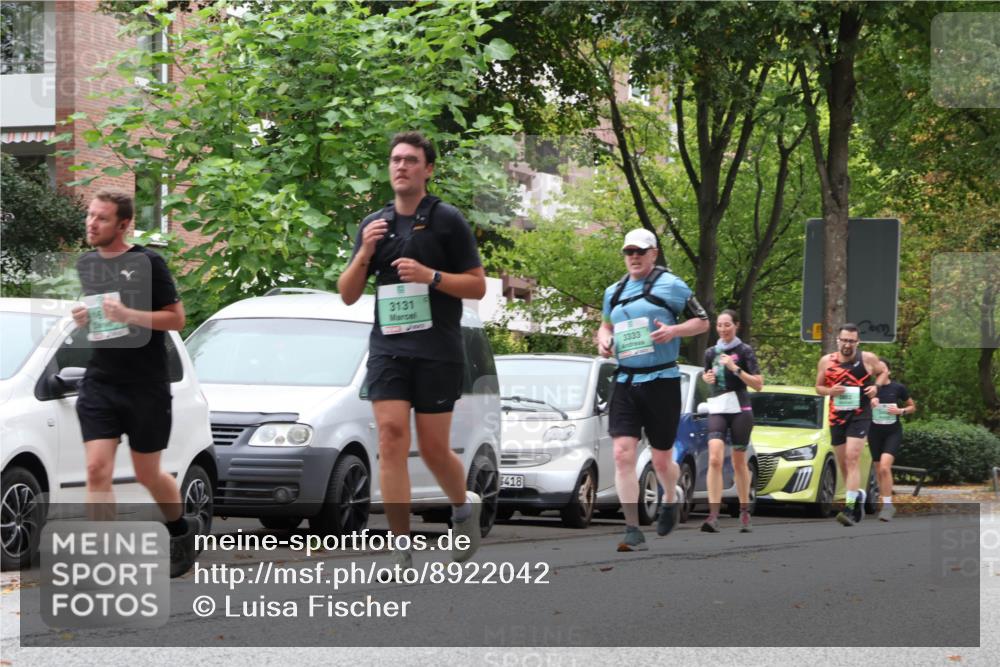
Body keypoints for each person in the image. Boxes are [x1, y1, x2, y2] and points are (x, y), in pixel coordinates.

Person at [338, 131, 486, 569]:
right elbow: (347, 293)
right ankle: (399, 545)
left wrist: (431, 276)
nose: (400, 166)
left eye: (410, 160)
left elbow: (476, 285)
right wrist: (365, 250)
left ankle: (462, 509)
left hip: (438, 349)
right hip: (388, 347)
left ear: (428, 169)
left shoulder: (447, 220)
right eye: (395, 160)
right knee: (390, 437)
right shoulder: (374, 224)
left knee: (435, 448)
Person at [70, 190, 196, 578]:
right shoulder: (87, 264)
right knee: (96, 469)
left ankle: (178, 529)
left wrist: (130, 314)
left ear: (123, 224)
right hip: (101, 381)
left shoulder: (148, 262)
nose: (92, 224)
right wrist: (85, 318)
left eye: (102, 218)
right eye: (90, 216)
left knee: (147, 474)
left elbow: (176, 319)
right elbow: (104, 319)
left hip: (146, 385)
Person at [597, 228, 710, 552]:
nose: (634, 257)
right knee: (622, 453)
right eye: (628, 252)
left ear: (653, 254)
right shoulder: (614, 291)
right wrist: (604, 339)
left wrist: (674, 330)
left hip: (662, 380)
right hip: (625, 380)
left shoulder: (672, 285)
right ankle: (632, 527)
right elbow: (606, 324)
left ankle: (671, 497)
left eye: (640, 251)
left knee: (661, 460)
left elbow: (702, 321)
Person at [814, 324, 886, 526]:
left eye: (851, 341)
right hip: (837, 416)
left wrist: (875, 387)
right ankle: (857, 496)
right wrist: (830, 391)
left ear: (857, 342)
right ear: (838, 340)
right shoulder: (826, 362)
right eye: (844, 340)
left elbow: (883, 372)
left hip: (860, 414)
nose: (847, 344)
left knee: (852, 458)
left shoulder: (867, 358)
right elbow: (818, 387)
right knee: (843, 462)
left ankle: (850, 507)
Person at [701, 309, 763, 533]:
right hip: (718, 407)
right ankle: (713, 515)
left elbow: (758, 384)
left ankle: (744, 510)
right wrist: (705, 377)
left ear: (736, 326)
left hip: (740, 408)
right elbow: (708, 376)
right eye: (719, 325)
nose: (723, 329)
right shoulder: (711, 352)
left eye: (727, 325)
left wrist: (735, 369)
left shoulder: (744, 350)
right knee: (715, 457)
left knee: (738, 461)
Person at [870, 361, 916, 522]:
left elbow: (912, 406)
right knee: (879, 471)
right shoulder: (870, 388)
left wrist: (901, 410)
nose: (880, 369)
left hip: (892, 432)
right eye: (877, 367)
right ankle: (885, 503)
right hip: (874, 432)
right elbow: (859, 409)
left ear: (888, 371)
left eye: (883, 367)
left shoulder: (898, 388)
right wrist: (870, 403)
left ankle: (888, 507)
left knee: (884, 467)